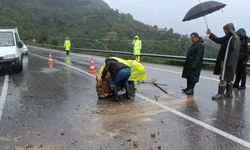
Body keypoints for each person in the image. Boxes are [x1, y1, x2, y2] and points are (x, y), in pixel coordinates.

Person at [206, 23, 241, 100]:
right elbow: (218, 40)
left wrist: (228, 63)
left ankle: (220, 94)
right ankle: (229, 93)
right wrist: (210, 34)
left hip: (228, 62)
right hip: (228, 61)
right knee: (228, 77)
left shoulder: (234, 38)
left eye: (225, 30)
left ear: (229, 29)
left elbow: (234, 52)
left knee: (223, 77)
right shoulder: (229, 37)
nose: (224, 31)